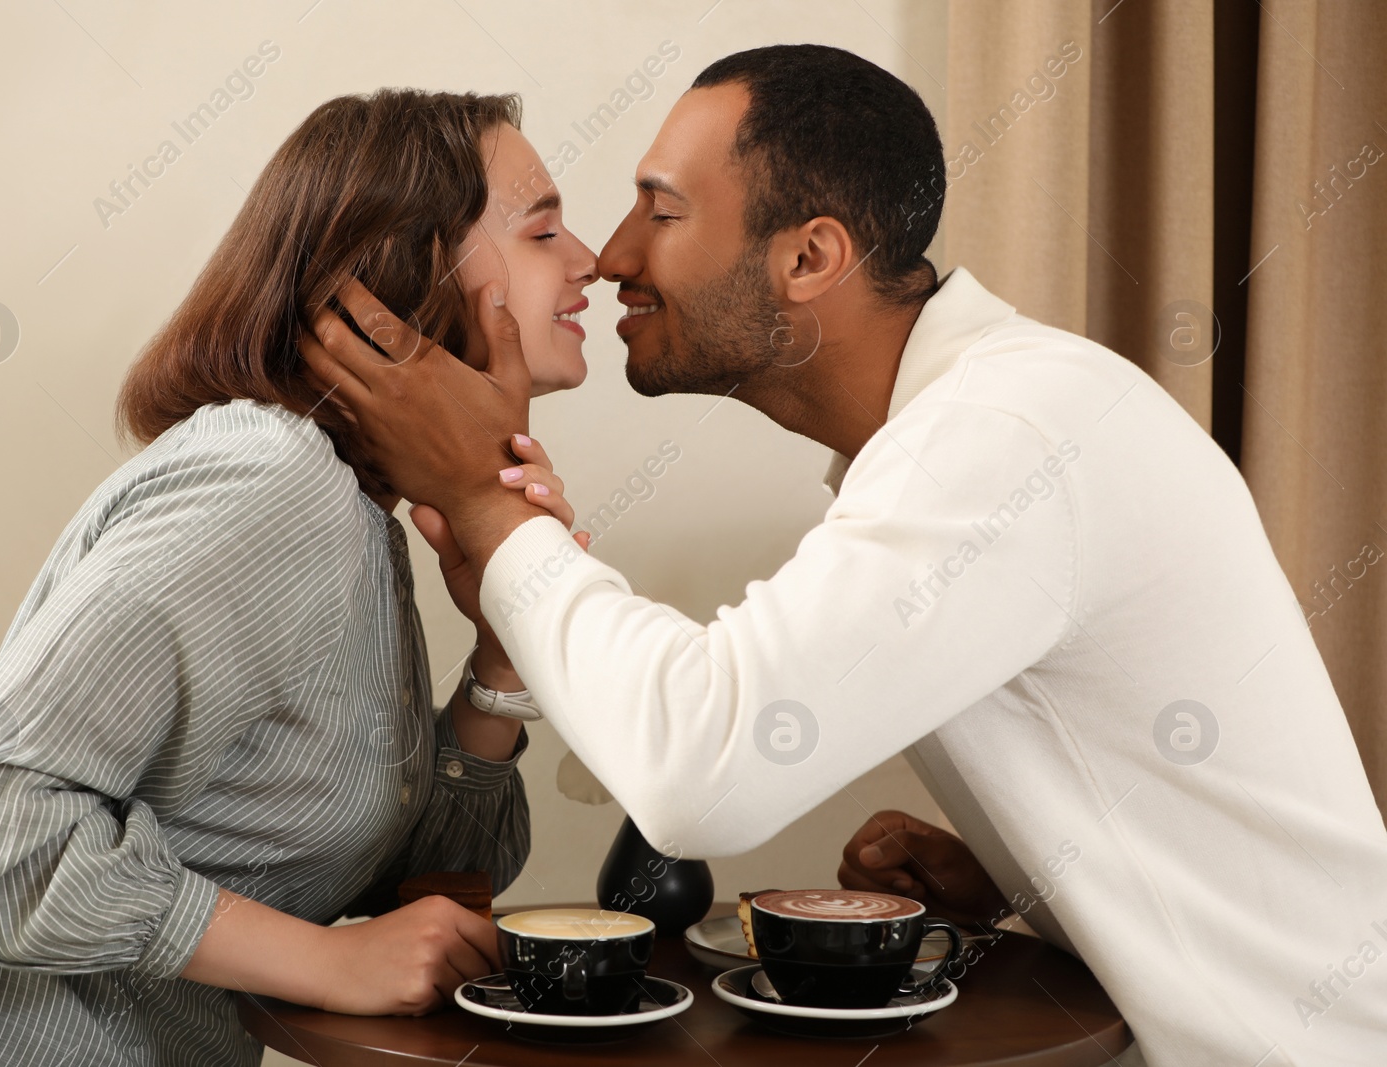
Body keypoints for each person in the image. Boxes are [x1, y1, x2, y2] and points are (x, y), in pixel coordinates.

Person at [298, 45, 1387, 1066]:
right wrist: (1035, 880)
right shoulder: (979, 425)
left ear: (809, 255)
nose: (614, 255)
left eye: (661, 211)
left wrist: (489, 513)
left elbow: (698, 769)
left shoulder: (1005, 432)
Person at [0, 88, 597, 1067]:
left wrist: (501, 657)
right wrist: (329, 964)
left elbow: (427, 894)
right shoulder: (270, 484)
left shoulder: (353, 515)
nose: (588, 259)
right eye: (544, 228)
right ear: (406, 269)